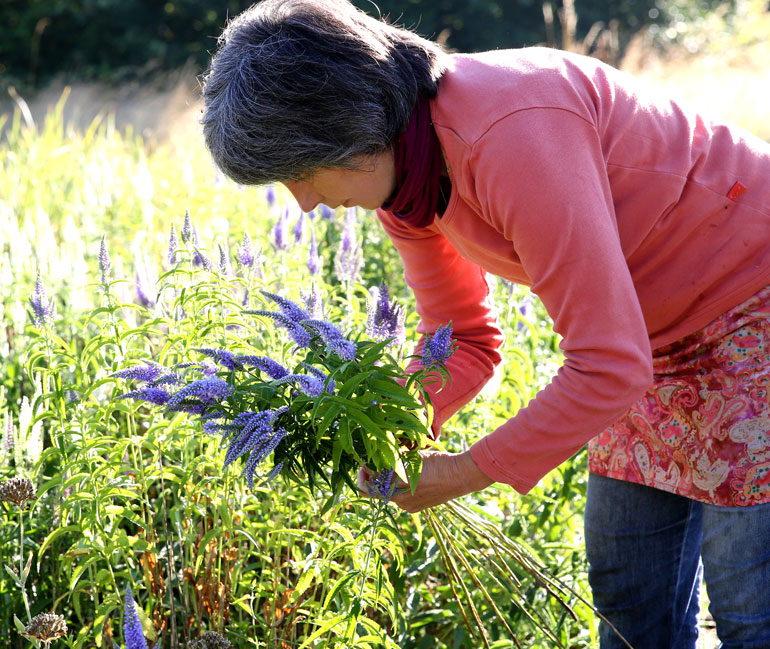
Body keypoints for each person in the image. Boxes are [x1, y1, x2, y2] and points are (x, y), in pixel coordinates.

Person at [199, 1, 770, 647]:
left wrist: (467, 470)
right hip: (646, 336)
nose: (303, 202)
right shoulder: (408, 182)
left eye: (301, 172)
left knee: (750, 602)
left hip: (753, 310)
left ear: (352, 126)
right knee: (628, 595)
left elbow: (608, 365)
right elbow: (464, 338)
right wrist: (395, 421)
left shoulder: (511, 132)